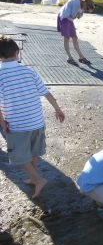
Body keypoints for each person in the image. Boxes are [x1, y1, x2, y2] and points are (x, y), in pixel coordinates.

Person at [0, 36, 65, 199]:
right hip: (37, 122)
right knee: (34, 152)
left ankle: (38, 179)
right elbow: (46, 93)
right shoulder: (29, 71)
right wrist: (57, 109)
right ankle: (34, 177)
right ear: (17, 53)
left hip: (17, 126)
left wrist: (3, 124)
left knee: (19, 157)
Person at [57, 0, 95, 66]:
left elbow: (78, 16)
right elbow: (74, 16)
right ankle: (69, 57)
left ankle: (81, 57)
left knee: (74, 38)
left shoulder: (83, 4)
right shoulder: (76, 3)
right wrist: (80, 13)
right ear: (85, 4)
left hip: (70, 19)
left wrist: (81, 12)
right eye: (86, 9)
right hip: (64, 18)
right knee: (66, 38)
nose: (85, 10)